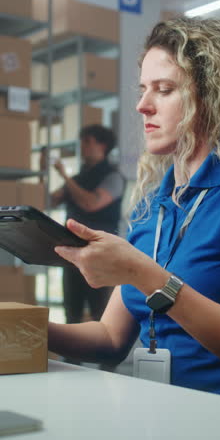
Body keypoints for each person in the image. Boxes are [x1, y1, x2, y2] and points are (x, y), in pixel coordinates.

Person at [48, 16, 220, 401]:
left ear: (213, 96)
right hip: (158, 413)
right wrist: (22, 327)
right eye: (144, 89)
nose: (142, 105)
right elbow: (111, 337)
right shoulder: (153, 204)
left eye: (163, 90)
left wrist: (144, 274)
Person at [41, 124, 124, 324]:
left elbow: (91, 203)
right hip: (71, 252)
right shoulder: (78, 178)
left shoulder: (113, 177)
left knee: (101, 313)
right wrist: (43, 173)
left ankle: (101, 355)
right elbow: (49, 201)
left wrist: (64, 176)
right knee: (72, 311)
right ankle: (72, 356)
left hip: (100, 253)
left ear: (103, 145)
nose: (82, 147)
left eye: (87, 142)